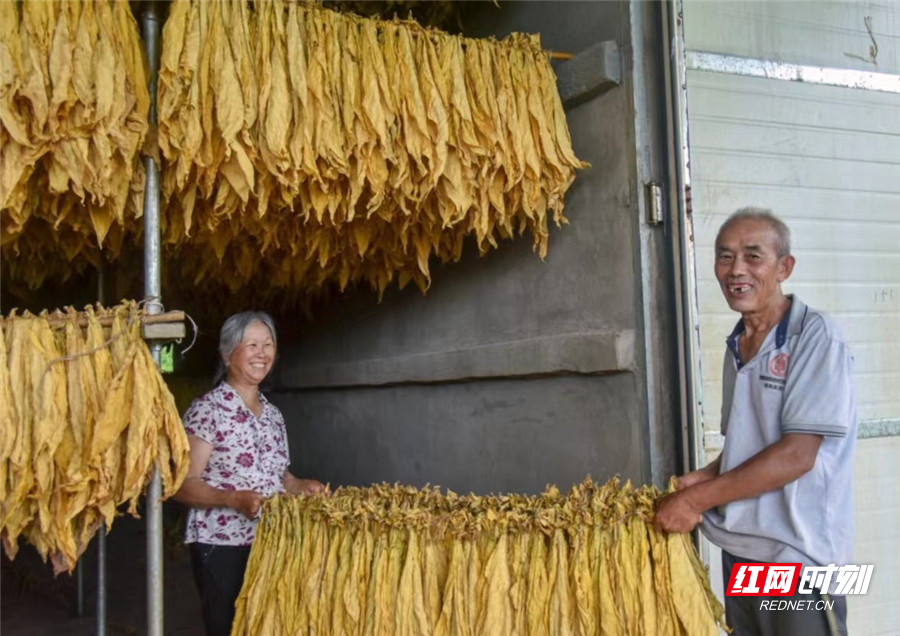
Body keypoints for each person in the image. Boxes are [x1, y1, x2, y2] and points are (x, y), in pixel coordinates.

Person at [655, 208, 856, 636]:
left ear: (785, 267)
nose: (736, 270)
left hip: (799, 562)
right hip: (744, 553)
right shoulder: (739, 342)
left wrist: (696, 501)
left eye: (753, 256)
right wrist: (705, 476)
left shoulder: (817, 336)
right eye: (725, 257)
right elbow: (750, 445)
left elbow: (796, 455)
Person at [174, 311, 325, 636]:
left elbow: (278, 475)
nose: (262, 353)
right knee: (228, 627)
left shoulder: (273, 415)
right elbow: (182, 485)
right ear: (228, 354)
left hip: (271, 540)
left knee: (265, 626)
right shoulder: (207, 411)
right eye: (252, 344)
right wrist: (233, 500)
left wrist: (300, 485)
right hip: (222, 544)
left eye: (268, 345)